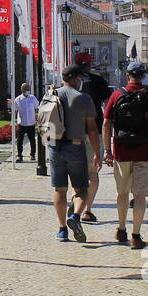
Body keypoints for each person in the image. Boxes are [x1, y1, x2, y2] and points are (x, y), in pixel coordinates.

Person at [102, 61, 148, 249]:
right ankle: (136, 236)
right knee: (139, 196)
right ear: (143, 76)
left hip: (122, 151)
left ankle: (121, 229)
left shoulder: (116, 95)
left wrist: (107, 150)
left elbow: (106, 125)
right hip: (145, 151)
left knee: (122, 193)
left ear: (127, 75)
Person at [46, 66, 102, 242]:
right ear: (77, 78)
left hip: (55, 146)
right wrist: (98, 152)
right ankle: (75, 216)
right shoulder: (84, 98)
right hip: (75, 146)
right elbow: (92, 129)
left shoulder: (50, 95)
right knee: (81, 189)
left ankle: (62, 229)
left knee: (60, 189)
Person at [75, 68, 113, 223]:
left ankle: (75, 203)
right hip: (94, 131)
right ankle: (87, 210)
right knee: (92, 172)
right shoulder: (98, 81)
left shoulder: (70, 82)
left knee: (76, 173)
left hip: (74, 132)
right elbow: (107, 102)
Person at [12, 82, 38, 163]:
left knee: (32, 140)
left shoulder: (33, 98)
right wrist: (14, 121)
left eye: (28, 89)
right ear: (22, 90)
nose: (28, 90)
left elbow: (37, 107)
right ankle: (19, 155)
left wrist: (37, 119)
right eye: (26, 89)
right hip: (22, 123)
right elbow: (15, 110)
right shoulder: (18, 99)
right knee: (20, 140)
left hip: (31, 123)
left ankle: (32, 154)